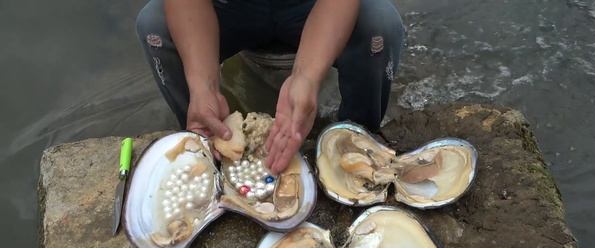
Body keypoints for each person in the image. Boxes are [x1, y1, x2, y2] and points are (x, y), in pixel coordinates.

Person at [136, 0, 403, 174]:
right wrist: (202, 85)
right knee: (154, 26)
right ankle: (203, 140)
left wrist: (306, 77)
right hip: (229, 9)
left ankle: (357, 140)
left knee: (379, 25)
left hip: (311, 6)